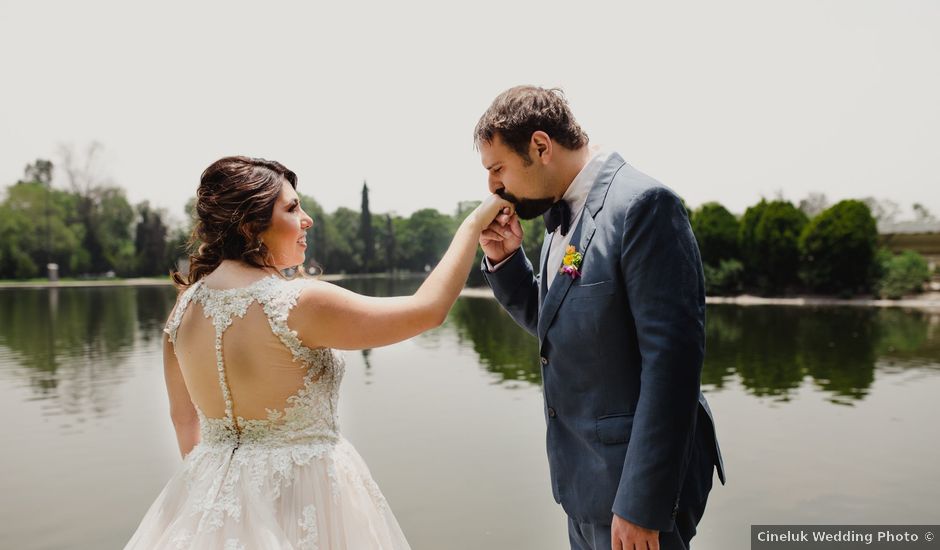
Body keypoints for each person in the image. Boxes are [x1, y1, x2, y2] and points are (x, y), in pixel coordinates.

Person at [123, 156, 510, 549]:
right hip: (309, 498)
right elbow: (427, 310)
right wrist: (472, 224)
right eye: (292, 208)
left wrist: (222, 505)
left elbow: (184, 422)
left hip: (206, 501)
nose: (307, 219)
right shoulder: (297, 303)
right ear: (249, 226)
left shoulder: (182, 310)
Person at [476, 86, 726, 550]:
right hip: (583, 482)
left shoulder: (644, 205)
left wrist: (640, 503)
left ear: (540, 146)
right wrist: (508, 261)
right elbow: (561, 325)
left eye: (497, 168)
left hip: (638, 494)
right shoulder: (559, 217)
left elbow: (672, 369)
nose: (493, 186)